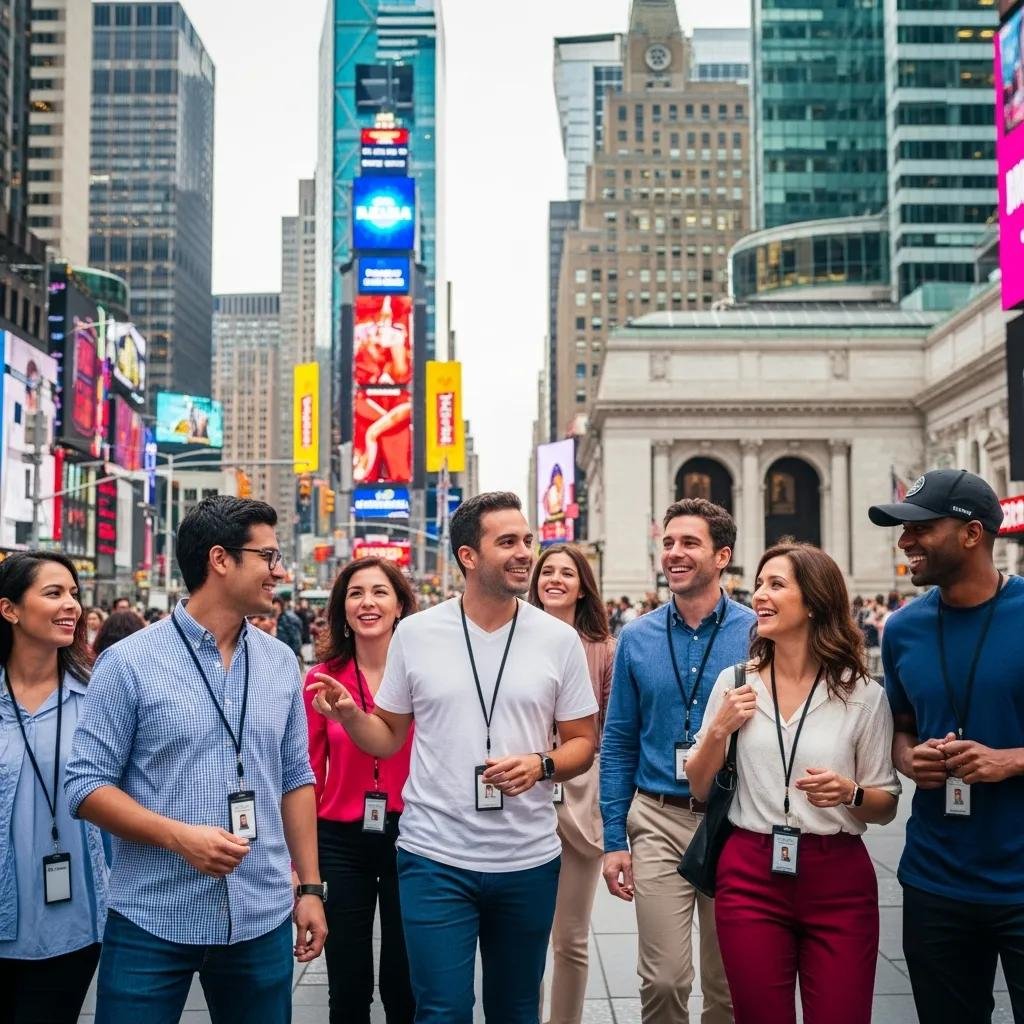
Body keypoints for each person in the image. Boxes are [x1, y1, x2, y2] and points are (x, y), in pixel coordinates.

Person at [308, 491, 599, 1024]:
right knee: (440, 1010)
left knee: (515, 1010)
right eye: (506, 542)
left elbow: (583, 741)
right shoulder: (416, 634)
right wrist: (351, 715)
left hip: (527, 861)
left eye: (526, 541)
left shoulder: (558, 639)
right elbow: (388, 737)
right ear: (468, 555)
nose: (523, 553)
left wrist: (543, 764)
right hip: (433, 858)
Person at [65, 496, 327, 1024]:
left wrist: (311, 889)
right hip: (151, 915)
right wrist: (178, 836)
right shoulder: (128, 662)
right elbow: (85, 786)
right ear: (220, 560)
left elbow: (296, 778)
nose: (279, 571)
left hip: (261, 911)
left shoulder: (279, 663)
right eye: (268, 557)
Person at [685, 542, 900, 1024]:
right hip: (749, 872)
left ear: (814, 602)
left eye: (775, 584)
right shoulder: (734, 682)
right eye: (759, 583)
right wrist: (719, 730)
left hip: (838, 879)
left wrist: (852, 794)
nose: (758, 594)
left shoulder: (862, 695)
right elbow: (699, 788)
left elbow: (884, 804)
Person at [868, 468, 1024, 1023]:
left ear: (972, 534)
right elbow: (902, 725)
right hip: (936, 879)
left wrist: (1010, 761)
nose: (905, 540)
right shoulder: (902, 629)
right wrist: (909, 758)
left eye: (920, 528)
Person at [600, 498, 756, 1024]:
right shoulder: (636, 638)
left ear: (722, 557)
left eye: (689, 543)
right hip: (657, 818)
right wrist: (613, 841)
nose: (674, 553)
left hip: (734, 820)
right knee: (664, 980)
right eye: (668, 543)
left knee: (728, 984)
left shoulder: (758, 634)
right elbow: (618, 742)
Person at [304, 556, 417, 1024]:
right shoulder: (321, 678)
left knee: (404, 980)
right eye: (355, 593)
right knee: (347, 986)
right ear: (343, 609)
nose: (367, 602)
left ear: (399, 606)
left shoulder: (419, 672)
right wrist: (301, 870)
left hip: (412, 836)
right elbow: (306, 774)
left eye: (379, 592)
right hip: (340, 840)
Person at [0, 552, 106, 1022]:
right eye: (54, 593)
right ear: (10, 609)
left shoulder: (99, 695)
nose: (72, 606)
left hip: (73, 922)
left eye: (75, 595)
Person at [528, 544, 615, 1024]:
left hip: (582, 799)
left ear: (583, 585)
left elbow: (611, 731)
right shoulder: (512, 635)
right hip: (523, 798)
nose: (555, 579)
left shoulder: (603, 648)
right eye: (548, 571)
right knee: (526, 935)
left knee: (572, 937)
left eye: (567, 572)